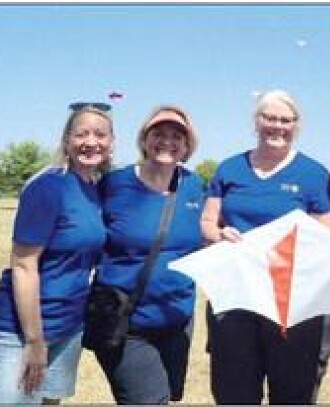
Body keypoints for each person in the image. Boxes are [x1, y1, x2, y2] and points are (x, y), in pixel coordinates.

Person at [201, 89, 330, 404]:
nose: (277, 126)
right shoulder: (229, 169)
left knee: (293, 393)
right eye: (270, 118)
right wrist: (221, 235)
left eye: (285, 120)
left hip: (290, 302)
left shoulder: (313, 173)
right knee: (233, 392)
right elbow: (208, 223)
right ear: (257, 122)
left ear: (296, 125)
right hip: (236, 295)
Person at [0, 104, 114, 404]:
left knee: (50, 402)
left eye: (100, 135)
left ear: (111, 143)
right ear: (67, 141)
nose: (91, 142)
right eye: (82, 134)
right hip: (24, 330)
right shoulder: (49, 187)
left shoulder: (96, 188)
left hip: (69, 324)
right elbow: (24, 265)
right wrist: (35, 341)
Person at [92, 105, 205, 404]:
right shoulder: (114, 185)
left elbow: (206, 236)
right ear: (144, 139)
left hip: (177, 319)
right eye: (159, 134)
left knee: (165, 397)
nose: (167, 141)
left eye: (177, 136)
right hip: (126, 321)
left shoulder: (195, 187)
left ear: (187, 146)